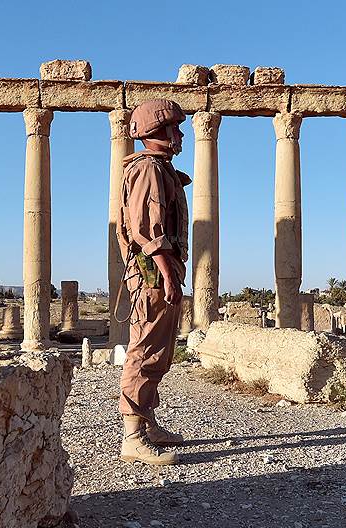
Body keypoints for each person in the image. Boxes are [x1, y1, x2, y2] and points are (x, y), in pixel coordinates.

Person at [116, 98, 190, 466]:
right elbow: (148, 230)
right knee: (144, 351)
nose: (180, 135)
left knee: (158, 351)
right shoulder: (148, 170)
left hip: (160, 273)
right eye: (175, 128)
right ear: (155, 132)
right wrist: (165, 273)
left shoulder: (160, 168)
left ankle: (146, 424)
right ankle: (132, 437)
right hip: (152, 275)